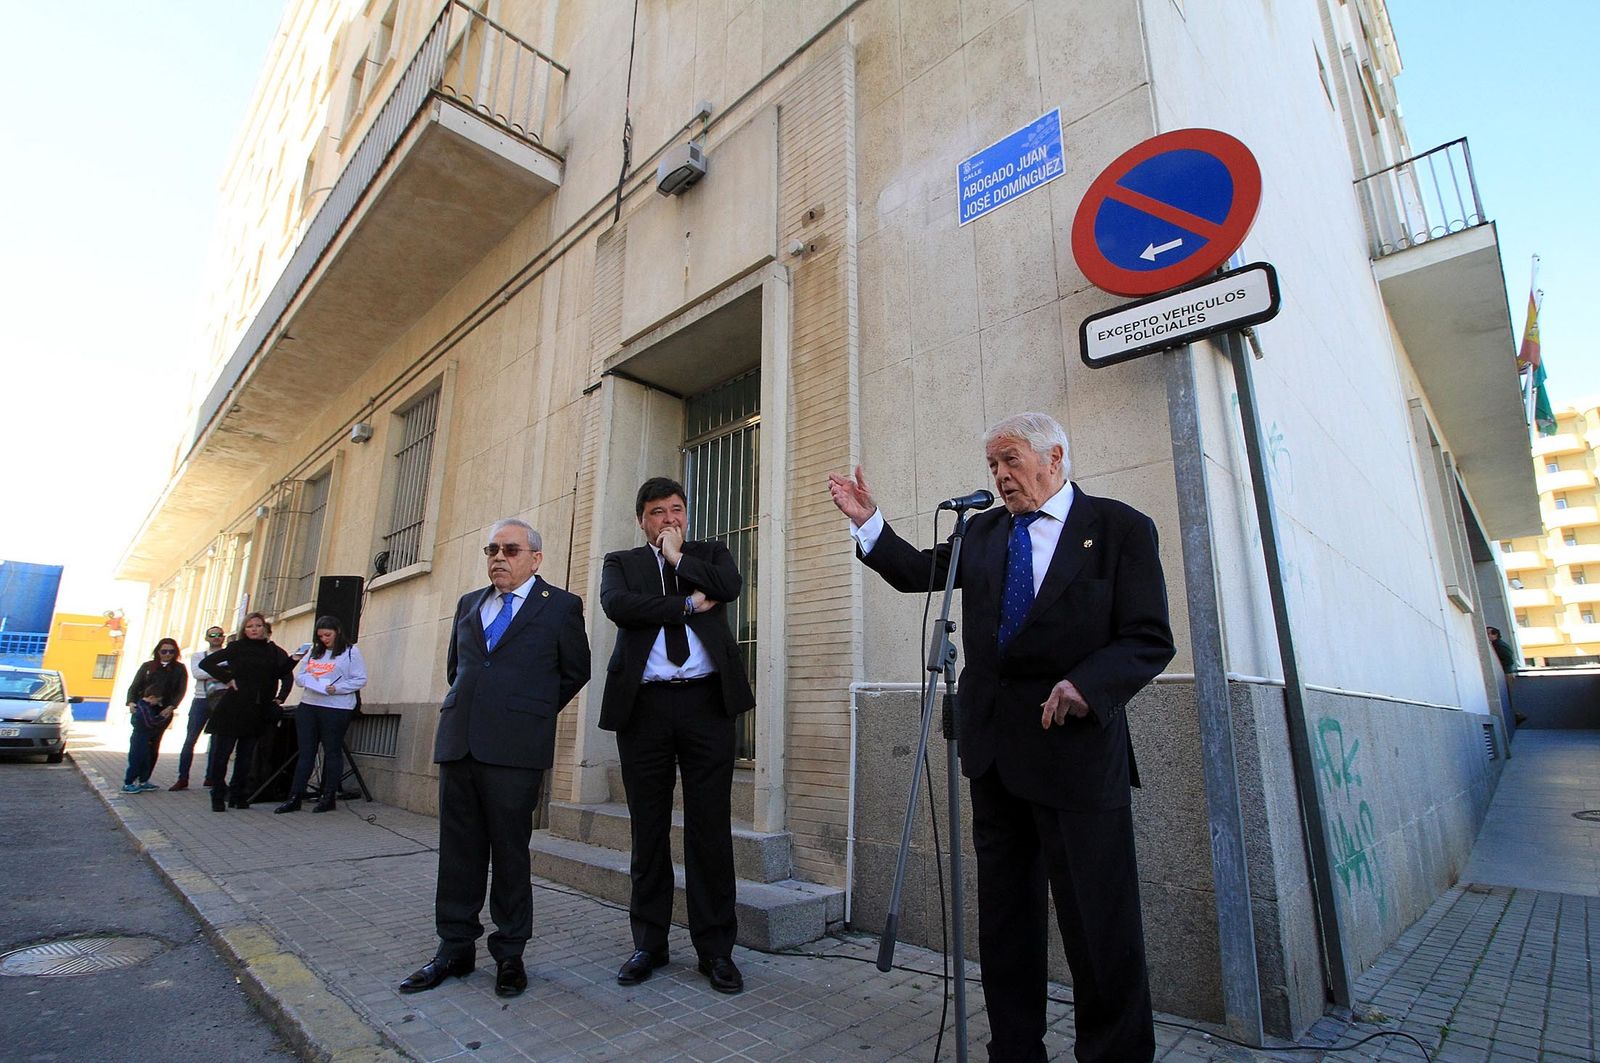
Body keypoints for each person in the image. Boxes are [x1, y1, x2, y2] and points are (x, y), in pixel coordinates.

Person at [828, 412, 1176, 1063]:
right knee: (1007, 925)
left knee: (1099, 926)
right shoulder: (984, 531)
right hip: (996, 758)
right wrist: (869, 522)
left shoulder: (1119, 528)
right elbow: (914, 572)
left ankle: (1116, 1054)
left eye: (1011, 460)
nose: (1000, 475)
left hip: (1077, 760)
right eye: (992, 464)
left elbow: (1148, 636)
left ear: (1055, 456)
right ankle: (1015, 1051)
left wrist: (1087, 684)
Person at [399, 518, 589, 1000]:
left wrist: (527, 711)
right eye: (492, 550)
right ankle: (454, 948)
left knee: (509, 853)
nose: (498, 557)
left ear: (535, 559)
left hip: (515, 749)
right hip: (460, 742)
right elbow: (456, 668)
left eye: (510, 549)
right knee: (458, 853)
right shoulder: (469, 604)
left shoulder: (561, 606)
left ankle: (510, 954)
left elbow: (575, 671)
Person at [599, 477, 756, 995]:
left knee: (709, 829)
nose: (669, 519)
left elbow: (729, 588)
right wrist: (686, 605)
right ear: (641, 520)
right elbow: (622, 608)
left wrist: (678, 560)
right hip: (645, 708)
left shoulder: (711, 555)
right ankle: (650, 942)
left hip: (706, 704)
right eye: (657, 513)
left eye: (677, 510)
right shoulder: (621, 563)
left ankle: (716, 950)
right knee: (649, 826)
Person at [198, 613, 294, 812]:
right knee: (222, 754)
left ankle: (238, 795)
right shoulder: (236, 647)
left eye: (258, 625)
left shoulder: (272, 651)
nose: (254, 629)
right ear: (244, 629)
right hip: (233, 707)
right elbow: (206, 664)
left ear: (265, 629)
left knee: (246, 757)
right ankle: (217, 795)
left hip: (257, 708)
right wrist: (227, 678)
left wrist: (293, 663)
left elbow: (282, 674)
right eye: (250, 626)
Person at [276, 615, 369, 815]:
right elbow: (301, 676)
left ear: (337, 632)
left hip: (337, 707)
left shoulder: (351, 652)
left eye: (328, 635)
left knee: (332, 751)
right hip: (310, 704)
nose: (325, 639)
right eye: (321, 636)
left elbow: (360, 678)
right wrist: (309, 682)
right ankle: (295, 796)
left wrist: (337, 687)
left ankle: (328, 796)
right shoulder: (313, 652)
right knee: (306, 753)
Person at [122, 638, 188, 794]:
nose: (167, 654)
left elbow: (181, 690)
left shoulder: (179, 669)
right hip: (144, 710)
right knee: (140, 747)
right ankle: (131, 780)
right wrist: (131, 702)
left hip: (163, 711)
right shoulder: (148, 667)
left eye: (171, 652)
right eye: (164, 651)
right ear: (158, 651)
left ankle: (144, 779)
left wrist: (172, 706)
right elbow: (135, 686)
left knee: (154, 745)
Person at [171, 626, 227, 790]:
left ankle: (211, 777)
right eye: (213, 635)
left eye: (219, 635)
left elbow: (231, 672)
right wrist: (222, 671)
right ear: (207, 637)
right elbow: (197, 673)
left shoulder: (228, 656)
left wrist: (210, 669)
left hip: (221, 700)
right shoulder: (198, 656)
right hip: (201, 700)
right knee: (190, 740)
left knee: (217, 741)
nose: (216, 637)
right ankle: (183, 778)